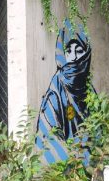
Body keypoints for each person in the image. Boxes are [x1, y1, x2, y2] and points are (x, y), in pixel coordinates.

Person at [35, 19, 95, 164]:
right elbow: (48, 139)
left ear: (86, 53)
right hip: (63, 176)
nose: (73, 57)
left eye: (79, 51)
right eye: (69, 51)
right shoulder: (55, 92)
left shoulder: (89, 90)